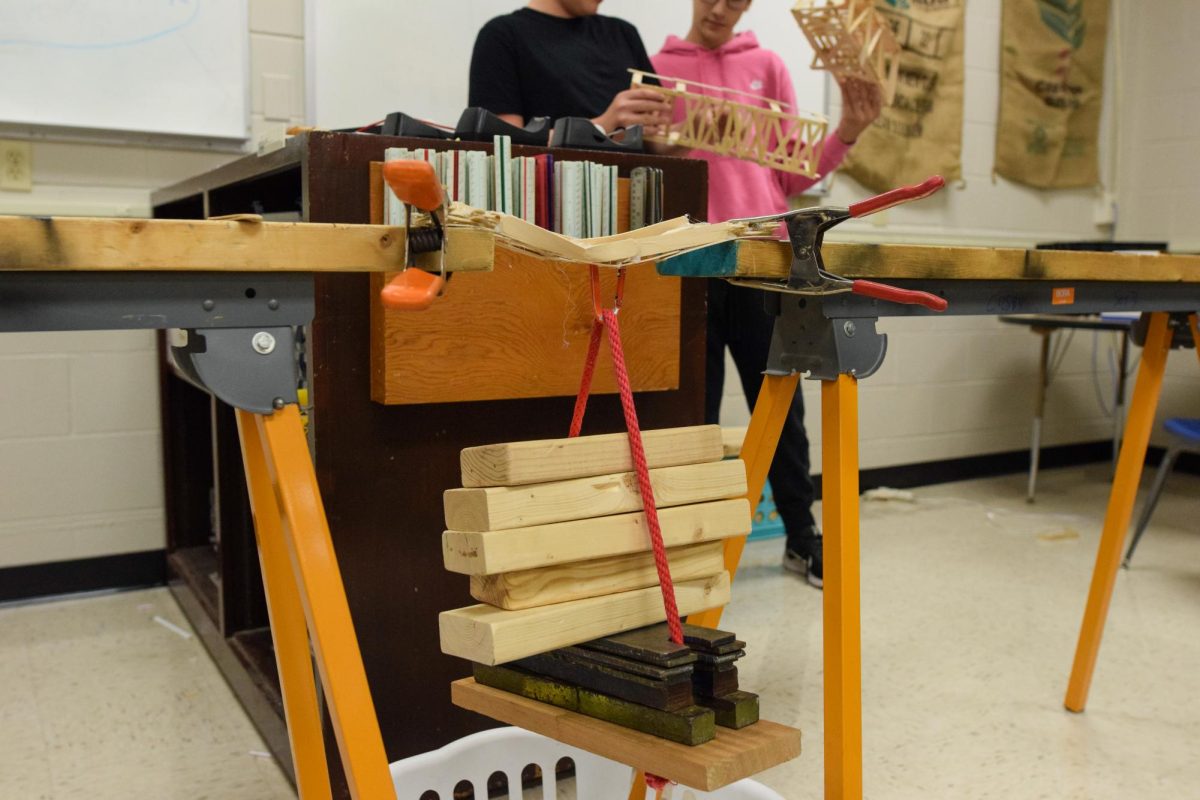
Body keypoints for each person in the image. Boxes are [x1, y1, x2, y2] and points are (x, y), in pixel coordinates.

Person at [652, 0, 882, 588]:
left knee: (781, 408)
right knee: (691, 417)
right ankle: (688, 548)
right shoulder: (658, 67)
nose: (722, 7)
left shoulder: (769, 65)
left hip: (764, 261)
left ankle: (802, 540)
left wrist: (848, 132)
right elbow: (645, 168)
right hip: (689, 263)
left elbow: (793, 173)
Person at [468, 0, 672, 135]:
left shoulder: (624, 34)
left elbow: (654, 139)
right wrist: (602, 126)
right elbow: (504, 146)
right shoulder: (502, 36)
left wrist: (692, 131)